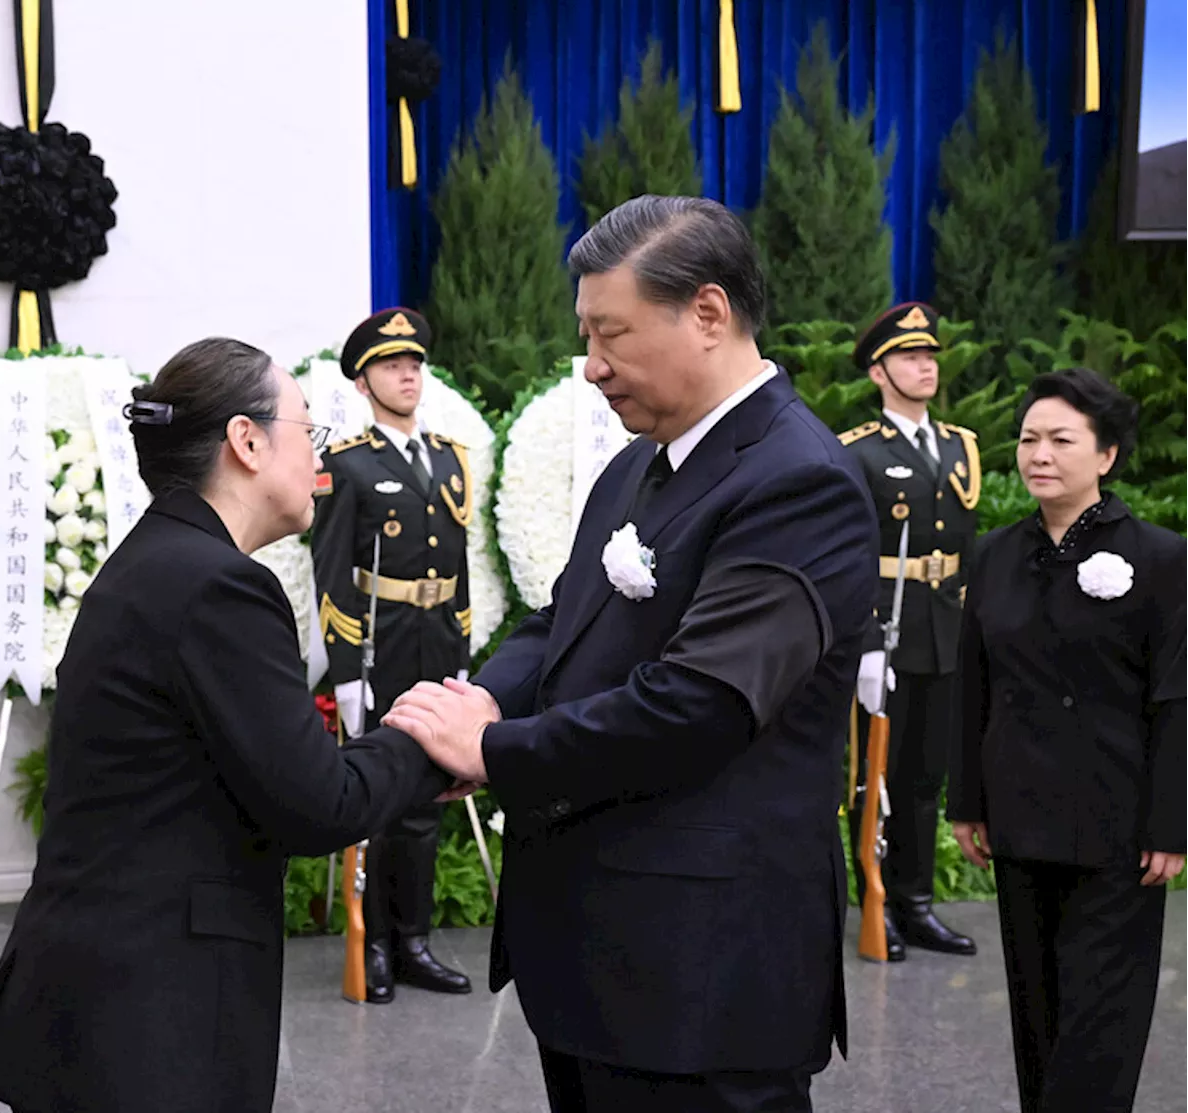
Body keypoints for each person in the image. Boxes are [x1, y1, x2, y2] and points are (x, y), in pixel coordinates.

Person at [384, 195, 879, 1112]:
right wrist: (483, 703)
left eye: (611, 334)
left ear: (708, 313)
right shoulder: (640, 462)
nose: (591, 365)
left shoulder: (797, 480)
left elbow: (701, 703)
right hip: (599, 962)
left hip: (702, 979)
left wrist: (492, 754)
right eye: (585, 334)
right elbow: (559, 621)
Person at [0, 338, 451, 1113]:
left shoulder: (157, 559)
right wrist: (432, 737)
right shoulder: (219, 586)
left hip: (102, 991)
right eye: (306, 433)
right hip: (151, 1014)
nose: (318, 460)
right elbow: (320, 805)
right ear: (247, 441)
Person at [949, 368, 1188, 1113]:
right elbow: (973, 683)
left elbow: (1177, 696)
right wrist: (968, 801)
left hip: (1117, 825)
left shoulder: (1159, 557)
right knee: (1039, 1015)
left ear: (1106, 455)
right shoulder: (993, 555)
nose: (1039, 454)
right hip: (1021, 818)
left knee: (1100, 1028)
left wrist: (1171, 823)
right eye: (1027, 438)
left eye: (1061, 439)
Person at [310, 307, 473, 1003]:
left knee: (428, 796)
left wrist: (461, 651)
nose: (407, 374)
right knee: (378, 798)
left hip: (435, 638)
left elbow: (459, 560)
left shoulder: (448, 455)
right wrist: (346, 672)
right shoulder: (346, 464)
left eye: (414, 364)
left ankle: (413, 941)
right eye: (390, 365)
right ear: (363, 380)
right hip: (378, 645)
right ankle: (371, 942)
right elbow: (330, 571)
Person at [838, 301, 979, 961]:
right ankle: (877, 898)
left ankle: (917, 901)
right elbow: (848, 556)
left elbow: (964, 549)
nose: (925, 365)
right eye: (909, 356)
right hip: (886, 633)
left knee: (925, 776)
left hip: (943, 629)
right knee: (876, 774)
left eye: (930, 356)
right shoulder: (859, 453)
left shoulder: (959, 447)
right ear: (878, 371)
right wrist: (864, 642)